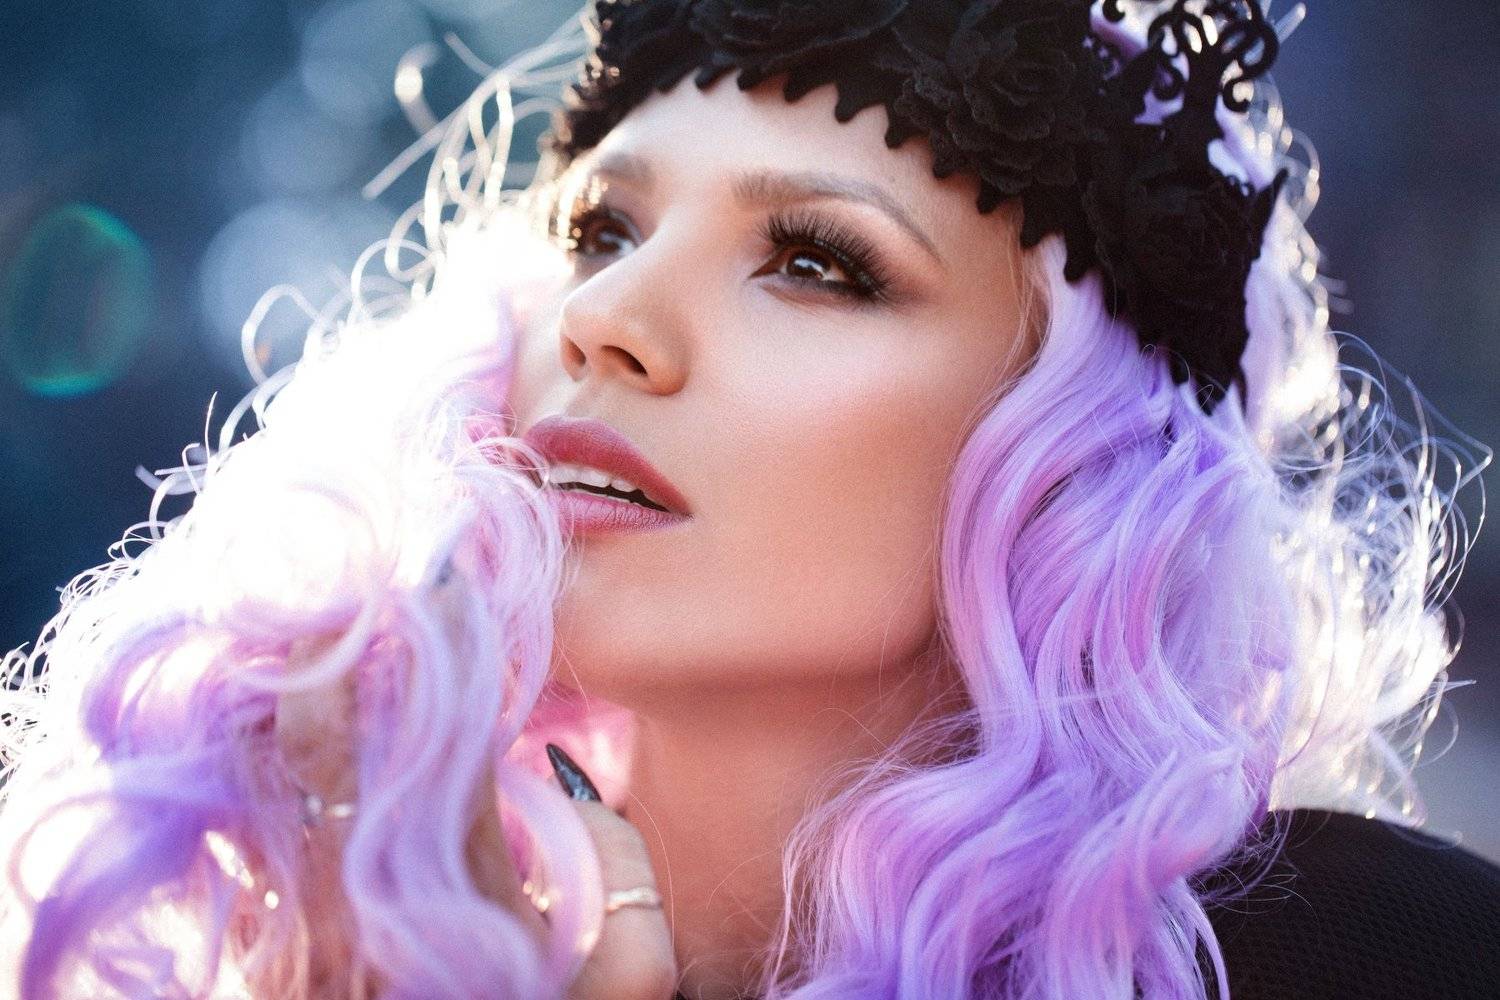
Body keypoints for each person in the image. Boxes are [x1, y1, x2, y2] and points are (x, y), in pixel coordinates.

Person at [0, 1, 1496, 998]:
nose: (602, 321)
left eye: (817, 263)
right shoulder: (309, 956)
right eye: (601, 230)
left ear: (1068, 458)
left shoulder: (1365, 957)